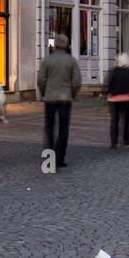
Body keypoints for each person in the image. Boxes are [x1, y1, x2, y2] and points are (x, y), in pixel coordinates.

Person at [37, 33, 82, 168]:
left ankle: (49, 161)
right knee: (63, 129)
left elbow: (41, 80)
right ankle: (60, 158)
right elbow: (76, 81)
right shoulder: (71, 60)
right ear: (67, 45)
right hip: (65, 98)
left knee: (49, 129)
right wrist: (73, 94)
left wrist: (45, 92)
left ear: (54, 45)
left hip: (50, 98)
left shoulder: (47, 60)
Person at [105, 53, 129, 148]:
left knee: (114, 120)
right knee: (127, 119)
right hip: (127, 98)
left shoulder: (113, 71)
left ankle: (113, 142)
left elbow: (108, 83)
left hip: (113, 99)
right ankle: (126, 139)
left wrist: (107, 93)